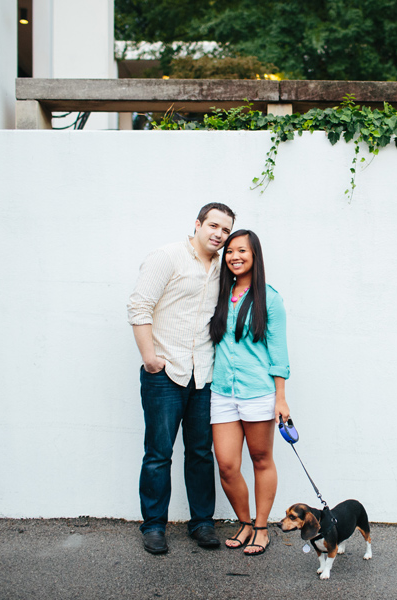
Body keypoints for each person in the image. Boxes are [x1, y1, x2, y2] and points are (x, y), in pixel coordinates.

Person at [127, 203, 236, 555]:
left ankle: (202, 524)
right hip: (165, 372)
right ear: (198, 224)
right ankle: (154, 526)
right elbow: (139, 306)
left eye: (225, 230)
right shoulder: (167, 257)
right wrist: (149, 358)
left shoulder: (224, 267)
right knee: (158, 453)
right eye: (213, 226)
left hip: (203, 374)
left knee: (201, 453)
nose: (218, 234)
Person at [209, 230, 290, 556]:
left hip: (257, 393)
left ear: (254, 255)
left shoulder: (269, 298)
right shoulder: (220, 292)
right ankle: (244, 522)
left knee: (260, 459)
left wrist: (280, 398)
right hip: (222, 392)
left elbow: (279, 353)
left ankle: (260, 527)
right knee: (227, 465)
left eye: (241, 250)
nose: (234, 256)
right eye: (230, 251)